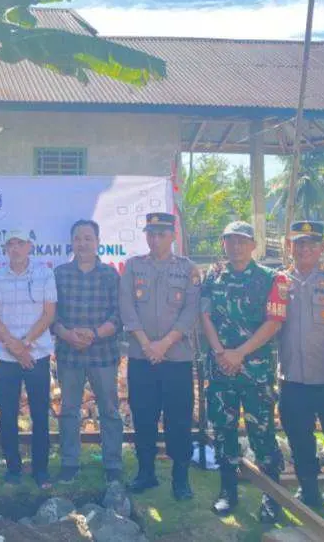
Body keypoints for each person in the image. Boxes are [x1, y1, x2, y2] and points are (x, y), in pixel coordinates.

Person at [200, 221, 288, 523]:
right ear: (223, 244)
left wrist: (239, 353)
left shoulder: (271, 279)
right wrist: (221, 352)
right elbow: (205, 316)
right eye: (230, 241)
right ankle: (228, 491)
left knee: (262, 434)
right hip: (222, 368)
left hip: (255, 372)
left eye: (242, 241)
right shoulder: (213, 278)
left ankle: (272, 497)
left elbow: (274, 323)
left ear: (253, 245)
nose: (236, 246)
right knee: (223, 431)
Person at [276, 221, 324, 527]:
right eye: (299, 243)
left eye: (312, 243)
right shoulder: (279, 281)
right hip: (292, 378)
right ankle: (309, 494)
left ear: (322, 248)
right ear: (289, 246)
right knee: (299, 440)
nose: (305, 249)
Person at [119, 213, 200, 500]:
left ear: (172, 235)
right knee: (143, 417)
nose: (155, 239)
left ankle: (181, 477)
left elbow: (190, 311)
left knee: (178, 419)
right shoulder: (133, 266)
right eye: (151, 234)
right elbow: (126, 307)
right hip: (142, 358)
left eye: (161, 234)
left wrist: (163, 345)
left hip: (175, 359)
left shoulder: (188, 269)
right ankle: (146, 473)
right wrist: (146, 344)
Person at [53, 219, 122, 485]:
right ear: (71, 243)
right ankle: (70, 462)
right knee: (69, 410)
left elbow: (118, 316)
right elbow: (52, 315)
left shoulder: (110, 275)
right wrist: (67, 334)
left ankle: (113, 464)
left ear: (97, 242)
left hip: (102, 354)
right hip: (69, 354)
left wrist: (94, 334)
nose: (82, 243)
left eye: (88, 238)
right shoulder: (59, 275)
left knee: (109, 410)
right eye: (78, 238)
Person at [0, 229, 56, 489]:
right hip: (7, 357)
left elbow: (49, 314)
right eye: (10, 244)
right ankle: (13, 470)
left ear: (29, 246)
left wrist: (25, 344)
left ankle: (41, 471)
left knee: (40, 414)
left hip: (36, 355)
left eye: (20, 244)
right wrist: (14, 347)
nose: (15, 248)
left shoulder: (45, 274)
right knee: (7, 415)